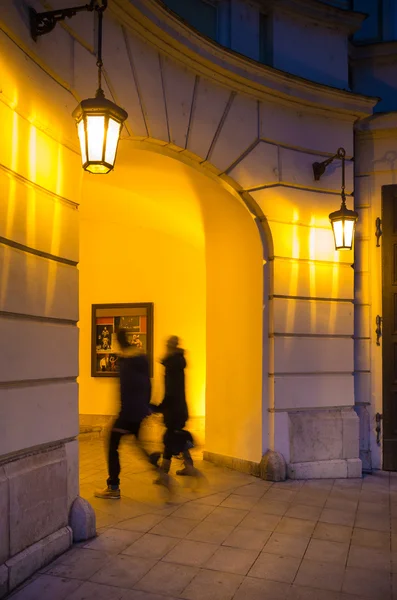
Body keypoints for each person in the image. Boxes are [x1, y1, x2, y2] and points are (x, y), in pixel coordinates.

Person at [95, 328, 156, 499]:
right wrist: (146, 407)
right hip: (139, 411)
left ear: (119, 341)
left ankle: (113, 486)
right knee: (137, 442)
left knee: (112, 443)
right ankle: (156, 465)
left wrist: (122, 414)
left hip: (128, 414)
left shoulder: (126, 363)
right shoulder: (141, 359)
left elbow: (125, 392)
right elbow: (147, 385)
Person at [150, 336, 202, 487]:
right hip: (180, 408)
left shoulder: (172, 365)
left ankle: (165, 474)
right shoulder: (178, 363)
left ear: (169, 347)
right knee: (176, 438)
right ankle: (188, 466)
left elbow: (171, 391)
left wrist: (160, 407)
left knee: (169, 440)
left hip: (173, 409)